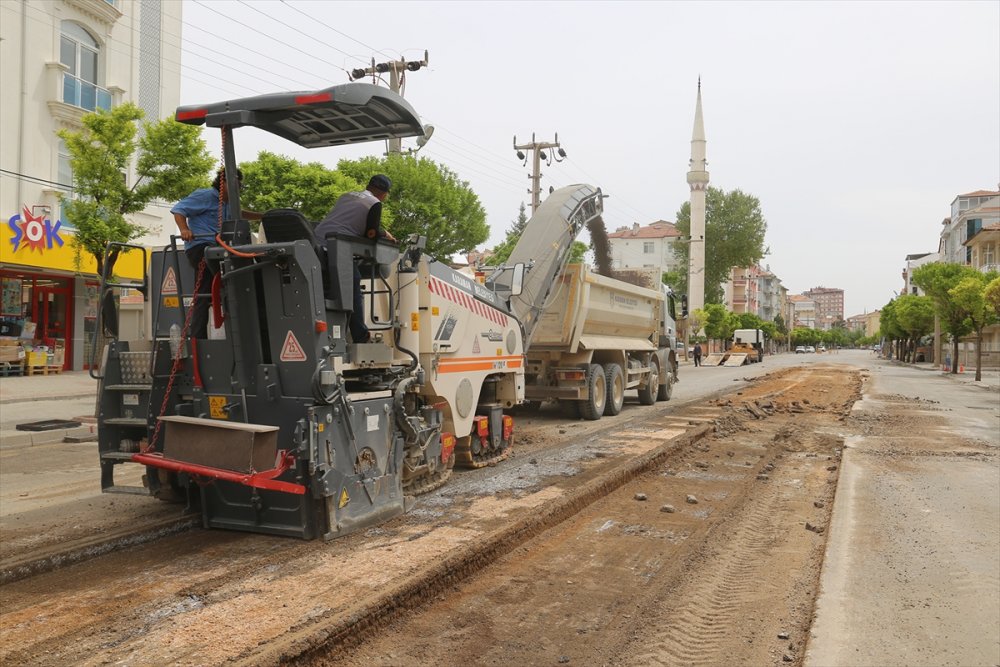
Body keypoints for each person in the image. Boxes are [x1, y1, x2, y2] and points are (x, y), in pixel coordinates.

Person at [171, 168, 261, 338]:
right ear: (222, 182)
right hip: (202, 248)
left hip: (220, 250)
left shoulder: (230, 204)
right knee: (205, 290)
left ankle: (240, 332)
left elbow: (240, 214)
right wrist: (184, 229)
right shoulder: (205, 196)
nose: (238, 186)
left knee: (242, 279)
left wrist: (262, 216)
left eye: (239, 183)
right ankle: (198, 338)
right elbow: (179, 210)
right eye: (234, 182)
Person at [314, 175, 396, 344]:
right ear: (384, 193)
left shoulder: (347, 195)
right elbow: (371, 233)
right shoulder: (375, 203)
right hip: (336, 246)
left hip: (315, 241)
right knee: (353, 283)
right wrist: (386, 235)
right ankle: (360, 335)